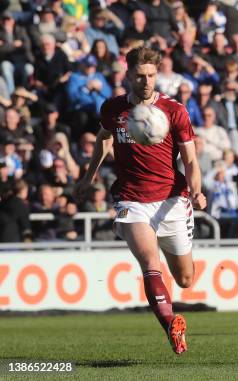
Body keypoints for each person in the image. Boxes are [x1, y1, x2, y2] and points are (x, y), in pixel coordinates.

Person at [73, 46, 207, 355]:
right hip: (132, 200)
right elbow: (104, 138)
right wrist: (88, 177)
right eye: (139, 76)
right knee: (150, 262)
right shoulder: (113, 108)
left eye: (150, 75)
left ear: (157, 75)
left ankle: (171, 314)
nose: (146, 81)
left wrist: (197, 191)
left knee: (185, 279)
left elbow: (190, 160)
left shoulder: (175, 111)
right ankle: (171, 325)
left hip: (172, 200)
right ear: (128, 74)